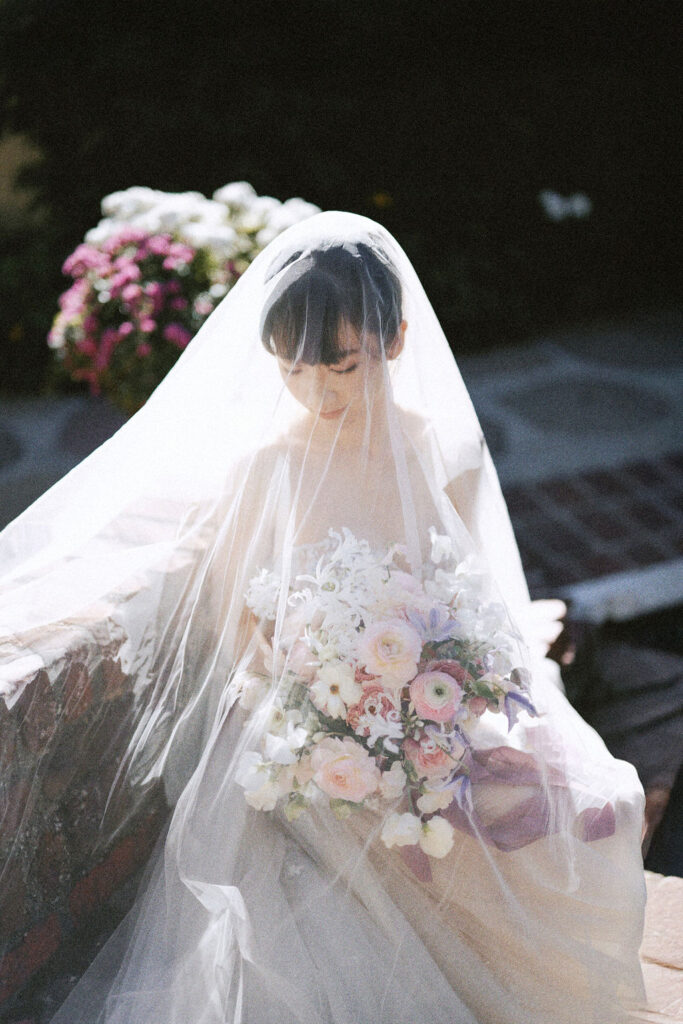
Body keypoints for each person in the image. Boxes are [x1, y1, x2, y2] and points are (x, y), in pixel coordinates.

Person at [0, 213, 647, 1022]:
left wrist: (442, 697)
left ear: (395, 341)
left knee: (583, 810)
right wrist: (318, 710)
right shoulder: (268, 465)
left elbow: (468, 590)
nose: (319, 391)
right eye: (294, 368)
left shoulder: (433, 447)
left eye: (341, 365)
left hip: (428, 707)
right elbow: (237, 620)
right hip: (303, 724)